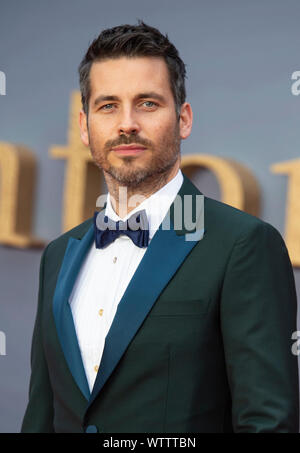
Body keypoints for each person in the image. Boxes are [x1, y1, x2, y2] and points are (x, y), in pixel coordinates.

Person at [21, 20, 299, 433]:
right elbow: (42, 416)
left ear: (184, 119)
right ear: (84, 125)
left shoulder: (243, 245)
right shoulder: (59, 254)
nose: (127, 123)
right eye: (108, 105)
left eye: (148, 103)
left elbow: (267, 422)